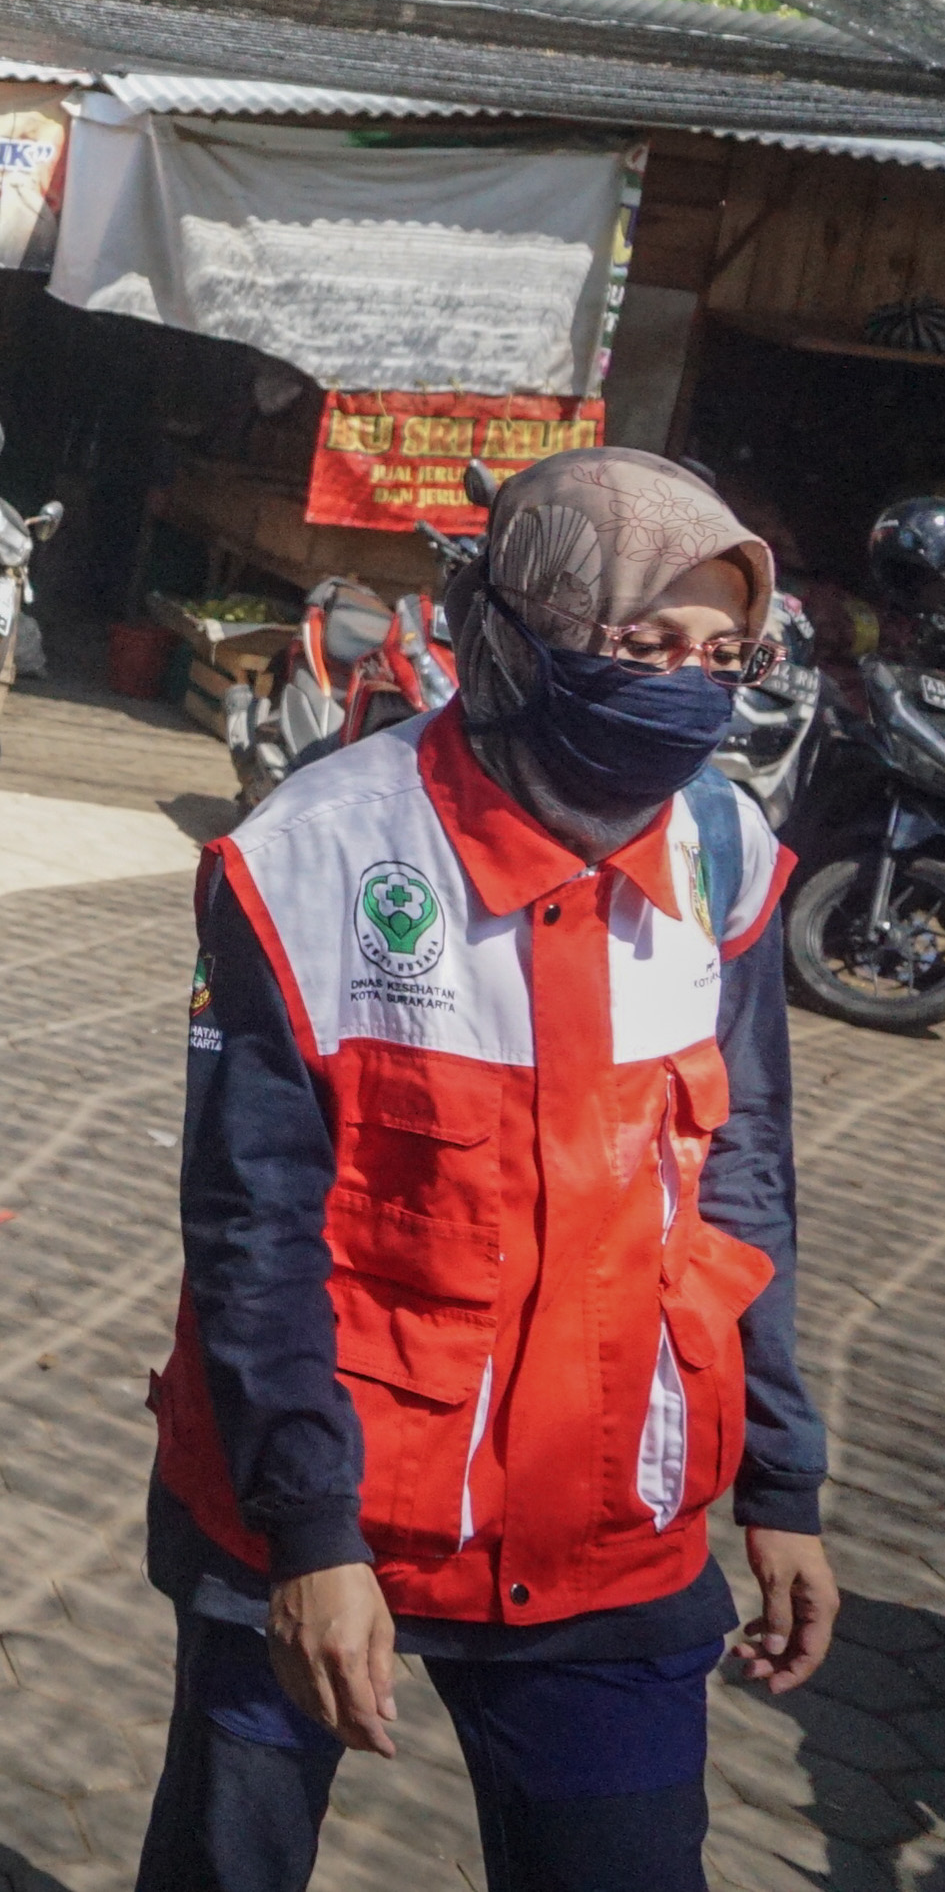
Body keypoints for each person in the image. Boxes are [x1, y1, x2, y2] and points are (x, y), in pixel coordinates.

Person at [139, 445, 835, 1892]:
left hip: (606, 1542)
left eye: (720, 653)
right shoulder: (317, 855)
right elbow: (253, 1223)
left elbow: (742, 1177)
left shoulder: (728, 858)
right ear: (513, 636)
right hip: (321, 1519)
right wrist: (311, 1535)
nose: (686, 684)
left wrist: (781, 1476)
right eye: (640, 644)